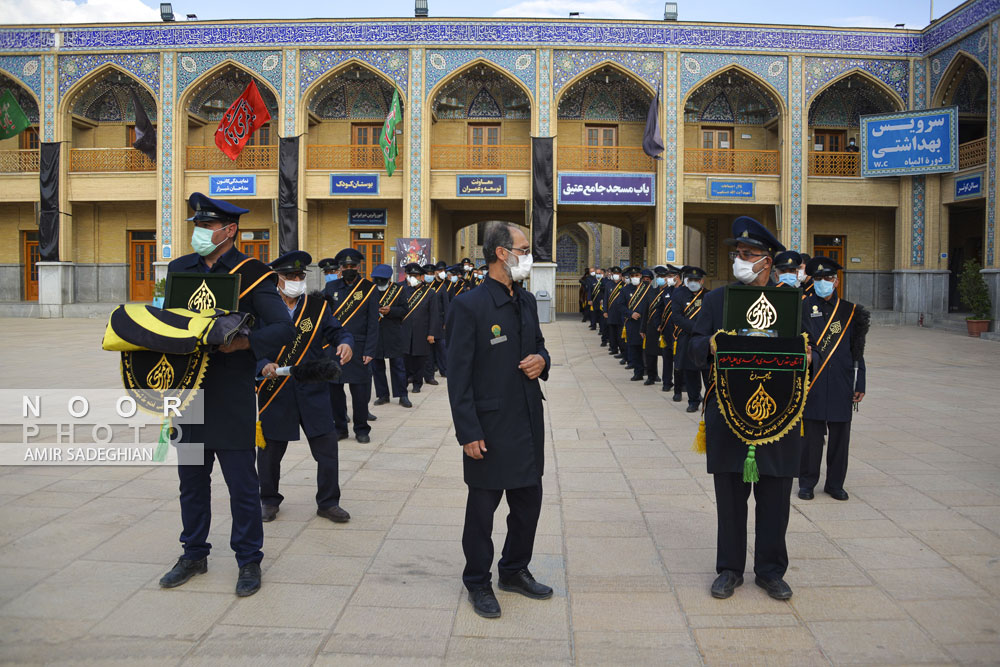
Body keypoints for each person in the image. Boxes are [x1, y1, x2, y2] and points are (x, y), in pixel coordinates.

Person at [159, 192, 294, 598]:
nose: (199, 233)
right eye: (197, 226)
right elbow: (169, 322)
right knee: (192, 483)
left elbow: (283, 329)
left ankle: (249, 559)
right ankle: (194, 553)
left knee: (241, 484)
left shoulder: (252, 272)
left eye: (207, 226)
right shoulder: (180, 268)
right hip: (189, 392)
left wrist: (244, 343)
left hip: (231, 392)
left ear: (229, 230)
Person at [690, 216, 804, 601]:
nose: (739, 260)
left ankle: (771, 571)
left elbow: (815, 351)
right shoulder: (717, 300)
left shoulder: (791, 302)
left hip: (779, 417)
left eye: (748, 254)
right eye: (737, 253)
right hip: (728, 415)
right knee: (730, 501)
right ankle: (729, 569)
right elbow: (689, 346)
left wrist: (809, 355)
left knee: (775, 501)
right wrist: (706, 346)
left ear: (767, 261)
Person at [447, 220, 552, 619]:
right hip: (488, 429)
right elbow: (457, 376)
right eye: (524, 249)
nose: (529, 256)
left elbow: (539, 347)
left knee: (528, 505)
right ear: (501, 254)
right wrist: (468, 432)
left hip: (527, 422)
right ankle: (478, 581)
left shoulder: (524, 301)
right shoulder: (469, 306)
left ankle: (513, 570)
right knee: (482, 512)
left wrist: (543, 361)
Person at [257, 251, 354, 524]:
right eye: (290, 276)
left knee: (327, 451)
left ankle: (328, 503)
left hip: (313, 389)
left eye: (300, 276)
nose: (296, 281)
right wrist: (263, 363)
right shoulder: (262, 307)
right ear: (277, 278)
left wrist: (346, 342)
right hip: (274, 390)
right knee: (269, 453)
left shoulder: (317, 306)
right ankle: (268, 500)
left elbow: (337, 331)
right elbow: (248, 343)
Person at [798, 256, 866, 502]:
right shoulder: (802, 307)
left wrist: (861, 382)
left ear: (836, 282)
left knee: (840, 437)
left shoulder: (850, 311)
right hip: (812, 380)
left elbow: (858, 350)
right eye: (817, 278)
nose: (822, 282)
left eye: (827, 278)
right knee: (811, 438)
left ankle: (835, 484)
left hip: (842, 380)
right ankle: (807, 483)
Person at [323, 248, 379, 444]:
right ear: (340, 268)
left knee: (360, 392)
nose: (349, 269)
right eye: (345, 266)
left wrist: (370, 350)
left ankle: (362, 428)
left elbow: (373, 323)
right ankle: (339, 428)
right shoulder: (331, 288)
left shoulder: (369, 289)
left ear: (359, 266)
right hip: (335, 346)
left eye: (352, 266)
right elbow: (323, 317)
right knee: (335, 391)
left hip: (359, 348)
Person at [371, 263, 412, 409]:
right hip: (375, 334)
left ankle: (402, 395)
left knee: (398, 366)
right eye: (377, 280)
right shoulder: (370, 290)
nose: (379, 283)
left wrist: (391, 311)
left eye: (382, 280)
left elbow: (404, 310)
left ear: (389, 279)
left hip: (393, 333)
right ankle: (383, 395)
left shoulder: (398, 290)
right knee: (377, 366)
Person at [672, 265, 710, 412]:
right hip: (687, 338)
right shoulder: (679, 295)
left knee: (707, 373)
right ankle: (693, 401)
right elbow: (677, 317)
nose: (693, 282)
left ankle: (709, 401)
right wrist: (696, 328)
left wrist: (703, 330)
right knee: (690, 372)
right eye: (691, 279)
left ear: (702, 281)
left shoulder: (708, 296)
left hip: (705, 340)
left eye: (696, 279)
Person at [401, 262, 441, 394]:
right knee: (406, 359)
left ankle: (417, 384)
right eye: (410, 275)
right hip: (406, 332)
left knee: (420, 360)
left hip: (422, 332)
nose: (413, 278)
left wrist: (432, 333)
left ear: (421, 277)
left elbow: (434, 315)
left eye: (416, 276)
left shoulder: (430, 293)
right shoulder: (403, 291)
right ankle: (405, 381)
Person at [659, 264, 685, 394]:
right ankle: (667, 382)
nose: (667, 279)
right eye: (667, 276)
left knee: (680, 360)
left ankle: (681, 385)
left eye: (670, 276)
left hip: (680, 331)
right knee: (667, 358)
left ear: (677, 277)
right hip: (666, 330)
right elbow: (659, 309)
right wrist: (659, 324)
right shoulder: (666, 291)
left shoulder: (685, 291)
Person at [624, 268, 654, 381]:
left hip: (646, 323)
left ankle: (652, 373)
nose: (634, 277)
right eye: (632, 275)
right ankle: (638, 372)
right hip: (632, 323)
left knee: (649, 350)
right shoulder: (625, 290)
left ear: (640, 275)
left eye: (636, 275)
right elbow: (620, 305)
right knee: (635, 349)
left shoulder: (648, 289)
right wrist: (630, 313)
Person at [643, 266, 670, 386]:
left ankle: (667, 380)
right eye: (659, 277)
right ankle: (651, 376)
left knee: (667, 355)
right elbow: (645, 311)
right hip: (651, 327)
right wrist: (642, 328)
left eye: (663, 277)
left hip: (665, 327)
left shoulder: (671, 292)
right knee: (650, 353)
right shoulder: (651, 292)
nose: (660, 279)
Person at [423, 261, 449, 384]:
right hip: (424, 322)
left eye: (430, 273)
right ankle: (429, 374)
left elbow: (446, 305)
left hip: (438, 321)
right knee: (428, 350)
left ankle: (444, 369)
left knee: (441, 347)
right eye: (426, 273)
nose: (429, 275)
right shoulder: (421, 286)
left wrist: (446, 321)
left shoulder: (441, 286)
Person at [606, 267, 628, 362]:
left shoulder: (624, 285)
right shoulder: (608, 284)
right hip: (611, 313)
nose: (616, 275)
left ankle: (623, 352)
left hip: (620, 314)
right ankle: (613, 348)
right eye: (614, 273)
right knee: (612, 333)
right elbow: (606, 299)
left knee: (620, 336)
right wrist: (605, 311)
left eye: (618, 273)